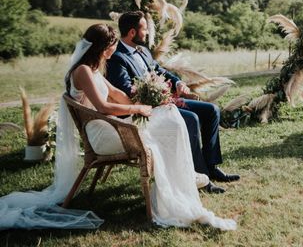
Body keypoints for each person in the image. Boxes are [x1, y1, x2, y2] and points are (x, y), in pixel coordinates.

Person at [0, 24, 236, 231]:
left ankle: (183, 177)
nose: (114, 49)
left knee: (169, 116)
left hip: (112, 126)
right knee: (166, 125)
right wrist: (138, 110)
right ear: (103, 46)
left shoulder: (92, 70)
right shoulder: (82, 71)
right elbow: (103, 106)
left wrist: (146, 102)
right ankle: (181, 180)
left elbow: (116, 94)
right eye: (112, 44)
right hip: (102, 134)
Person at [106, 11, 239, 194]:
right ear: (132, 32)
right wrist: (157, 97)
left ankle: (212, 166)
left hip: (165, 101)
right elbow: (127, 90)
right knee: (191, 119)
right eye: (144, 29)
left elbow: (158, 69)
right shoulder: (117, 58)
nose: (147, 33)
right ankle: (201, 178)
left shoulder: (143, 50)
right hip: (146, 110)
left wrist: (177, 82)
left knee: (212, 111)